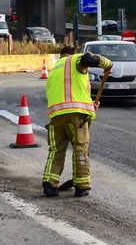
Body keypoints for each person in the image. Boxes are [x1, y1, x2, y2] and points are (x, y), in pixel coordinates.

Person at [42, 45, 112, 198]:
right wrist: (109, 65)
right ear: (73, 54)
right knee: (80, 148)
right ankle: (81, 185)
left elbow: (71, 93)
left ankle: (50, 183)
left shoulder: (56, 69)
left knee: (56, 150)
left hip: (56, 116)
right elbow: (89, 58)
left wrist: (90, 105)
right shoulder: (74, 60)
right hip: (76, 117)